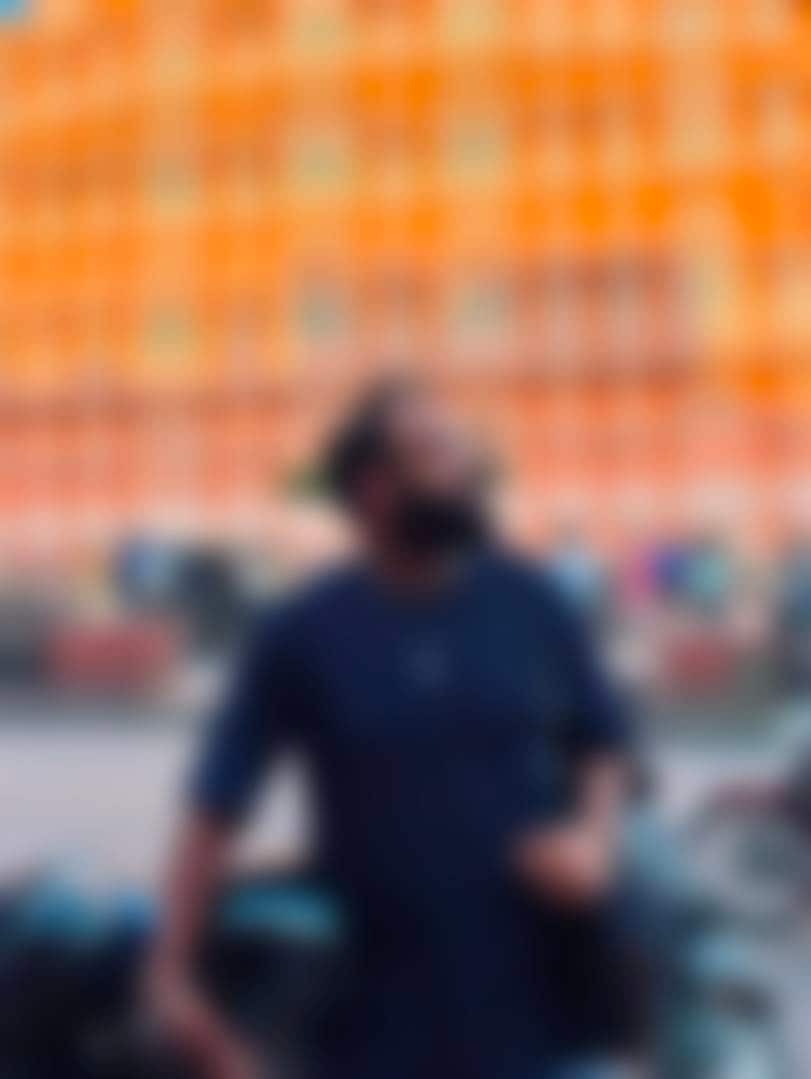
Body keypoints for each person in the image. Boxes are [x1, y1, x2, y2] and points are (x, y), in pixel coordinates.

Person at [146, 377, 631, 1079]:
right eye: (437, 453)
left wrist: (593, 840)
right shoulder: (303, 632)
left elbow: (602, 740)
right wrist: (171, 973)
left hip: (537, 1010)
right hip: (375, 1023)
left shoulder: (529, 600)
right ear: (375, 487)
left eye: (462, 449)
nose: (467, 469)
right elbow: (215, 806)